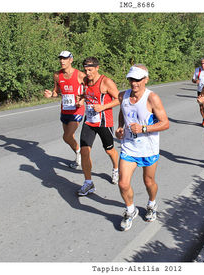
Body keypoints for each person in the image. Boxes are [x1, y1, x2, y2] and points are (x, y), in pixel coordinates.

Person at [115, 64, 169, 231]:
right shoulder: (123, 96)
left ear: (146, 79)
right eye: (131, 79)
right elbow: (122, 112)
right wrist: (120, 127)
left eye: (138, 79)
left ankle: (152, 204)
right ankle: (130, 210)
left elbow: (165, 123)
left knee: (148, 181)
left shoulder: (152, 98)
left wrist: (144, 128)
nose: (134, 83)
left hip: (148, 148)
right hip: (129, 147)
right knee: (123, 183)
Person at [76, 57, 120, 196]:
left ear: (97, 68)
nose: (87, 73)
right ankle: (88, 183)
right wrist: (81, 101)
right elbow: (85, 94)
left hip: (104, 122)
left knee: (109, 150)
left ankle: (116, 169)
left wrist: (103, 107)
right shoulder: (85, 81)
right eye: (85, 70)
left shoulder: (106, 82)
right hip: (89, 121)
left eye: (90, 70)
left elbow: (119, 99)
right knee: (84, 151)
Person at [44, 51, 86, 169]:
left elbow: (88, 89)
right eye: (61, 58)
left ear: (71, 60)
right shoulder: (57, 75)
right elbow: (56, 91)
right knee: (69, 137)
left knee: (66, 136)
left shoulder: (80, 75)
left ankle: (79, 153)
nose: (62, 61)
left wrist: (82, 100)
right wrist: (50, 95)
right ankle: (78, 153)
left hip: (77, 110)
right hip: (65, 109)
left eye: (65, 59)